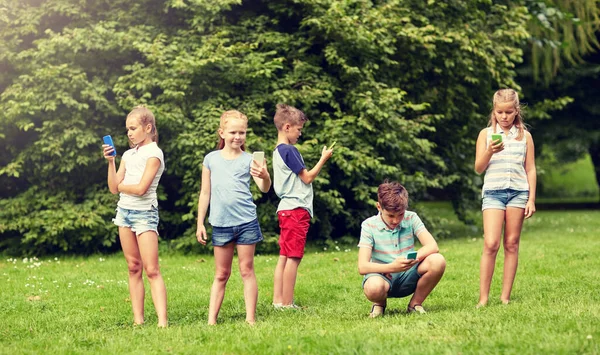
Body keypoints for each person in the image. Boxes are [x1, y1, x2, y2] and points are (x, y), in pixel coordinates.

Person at [196, 110, 271, 325]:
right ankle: (211, 320)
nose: (238, 136)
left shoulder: (250, 160)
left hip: (246, 222)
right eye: (233, 132)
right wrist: (200, 222)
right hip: (220, 224)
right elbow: (205, 193)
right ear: (222, 133)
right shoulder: (211, 159)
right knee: (221, 274)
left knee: (247, 270)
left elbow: (264, 189)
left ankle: (250, 319)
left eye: (242, 132)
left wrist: (265, 176)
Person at [102, 106, 168, 327]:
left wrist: (121, 186)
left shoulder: (154, 154)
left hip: (145, 214)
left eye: (133, 128)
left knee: (151, 269)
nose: (129, 133)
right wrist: (111, 162)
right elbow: (113, 187)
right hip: (124, 213)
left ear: (147, 128)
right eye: (127, 129)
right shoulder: (128, 155)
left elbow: (141, 189)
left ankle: (162, 322)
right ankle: (138, 321)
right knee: (133, 267)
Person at [474, 89, 536, 307]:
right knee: (491, 243)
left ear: (516, 111)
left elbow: (530, 170)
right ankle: (483, 298)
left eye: (509, 112)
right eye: (500, 112)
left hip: (518, 193)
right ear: (494, 111)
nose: (504, 116)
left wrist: (531, 199)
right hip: (493, 193)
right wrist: (490, 150)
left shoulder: (524, 136)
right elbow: (478, 168)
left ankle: (505, 298)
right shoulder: (486, 134)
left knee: (511, 243)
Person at [272, 104, 333, 309]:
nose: (300, 133)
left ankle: (278, 300)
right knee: (294, 257)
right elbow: (307, 178)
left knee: (284, 255)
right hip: (296, 209)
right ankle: (287, 303)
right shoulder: (290, 150)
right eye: (299, 129)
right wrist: (323, 159)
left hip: (285, 209)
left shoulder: (277, 151)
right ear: (287, 127)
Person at [357, 181, 446, 318]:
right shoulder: (369, 225)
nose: (396, 220)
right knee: (374, 288)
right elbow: (362, 266)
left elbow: (432, 246)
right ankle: (379, 304)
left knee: (437, 260)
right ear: (379, 207)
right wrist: (392, 267)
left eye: (400, 215)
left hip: (407, 273)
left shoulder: (411, 217)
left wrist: (409, 260)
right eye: (391, 216)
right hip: (382, 276)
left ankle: (415, 304)